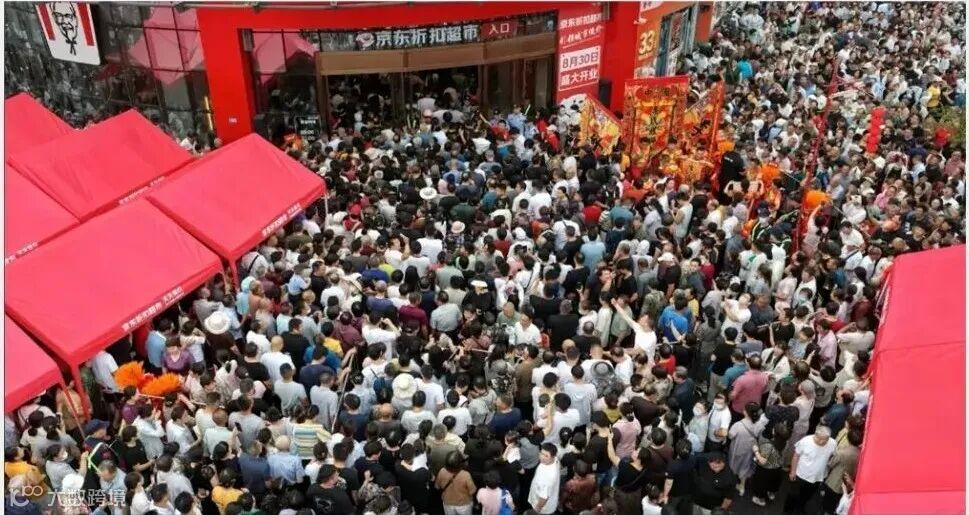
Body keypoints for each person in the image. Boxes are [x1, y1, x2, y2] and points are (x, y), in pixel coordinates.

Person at [784, 426, 838, 514]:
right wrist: (793, 471)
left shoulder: (832, 443)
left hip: (817, 478)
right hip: (800, 475)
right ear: (815, 434)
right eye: (819, 439)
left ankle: (800, 508)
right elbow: (796, 456)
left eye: (825, 440)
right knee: (793, 494)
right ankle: (787, 510)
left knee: (807, 495)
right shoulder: (805, 441)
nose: (821, 442)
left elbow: (832, 455)